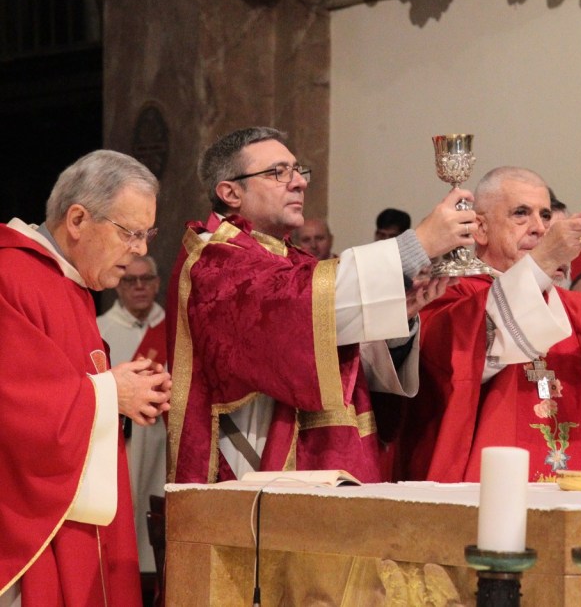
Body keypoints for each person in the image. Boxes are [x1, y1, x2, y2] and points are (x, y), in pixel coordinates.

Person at [167, 127, 476, 485]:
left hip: (329, 469)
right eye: (278, 172)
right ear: (230, 192)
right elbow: (294, 309)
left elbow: (327, 340)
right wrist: (416, 243)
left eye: (298, 170)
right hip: (250, 479)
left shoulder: (291, 260)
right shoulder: (213, 262)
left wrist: (395, 320)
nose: (298, 182)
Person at [396, 166, 581, 483]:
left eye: (546, 215)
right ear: (480, 229)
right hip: (489, 495)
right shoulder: (445, 299)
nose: (539, 228)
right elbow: (467, 355)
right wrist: (545, 260)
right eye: (521, 214)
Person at [0, 150, 171, 606]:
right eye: (131, 233)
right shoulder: (10, 275)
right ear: (77, 219)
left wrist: (129, 393)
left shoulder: (68, 283)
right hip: (30, 535)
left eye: (146, 234)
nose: (141, 250)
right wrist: (112, 392)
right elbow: (14, 404)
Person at [96, 255, 168, 576]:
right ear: (118, 286)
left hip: (163, 443)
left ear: (157, 283)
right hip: (119, 446)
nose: (139, 287)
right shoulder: (100, 328)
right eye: (130, 280)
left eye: (146, 279)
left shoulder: (176, 327)